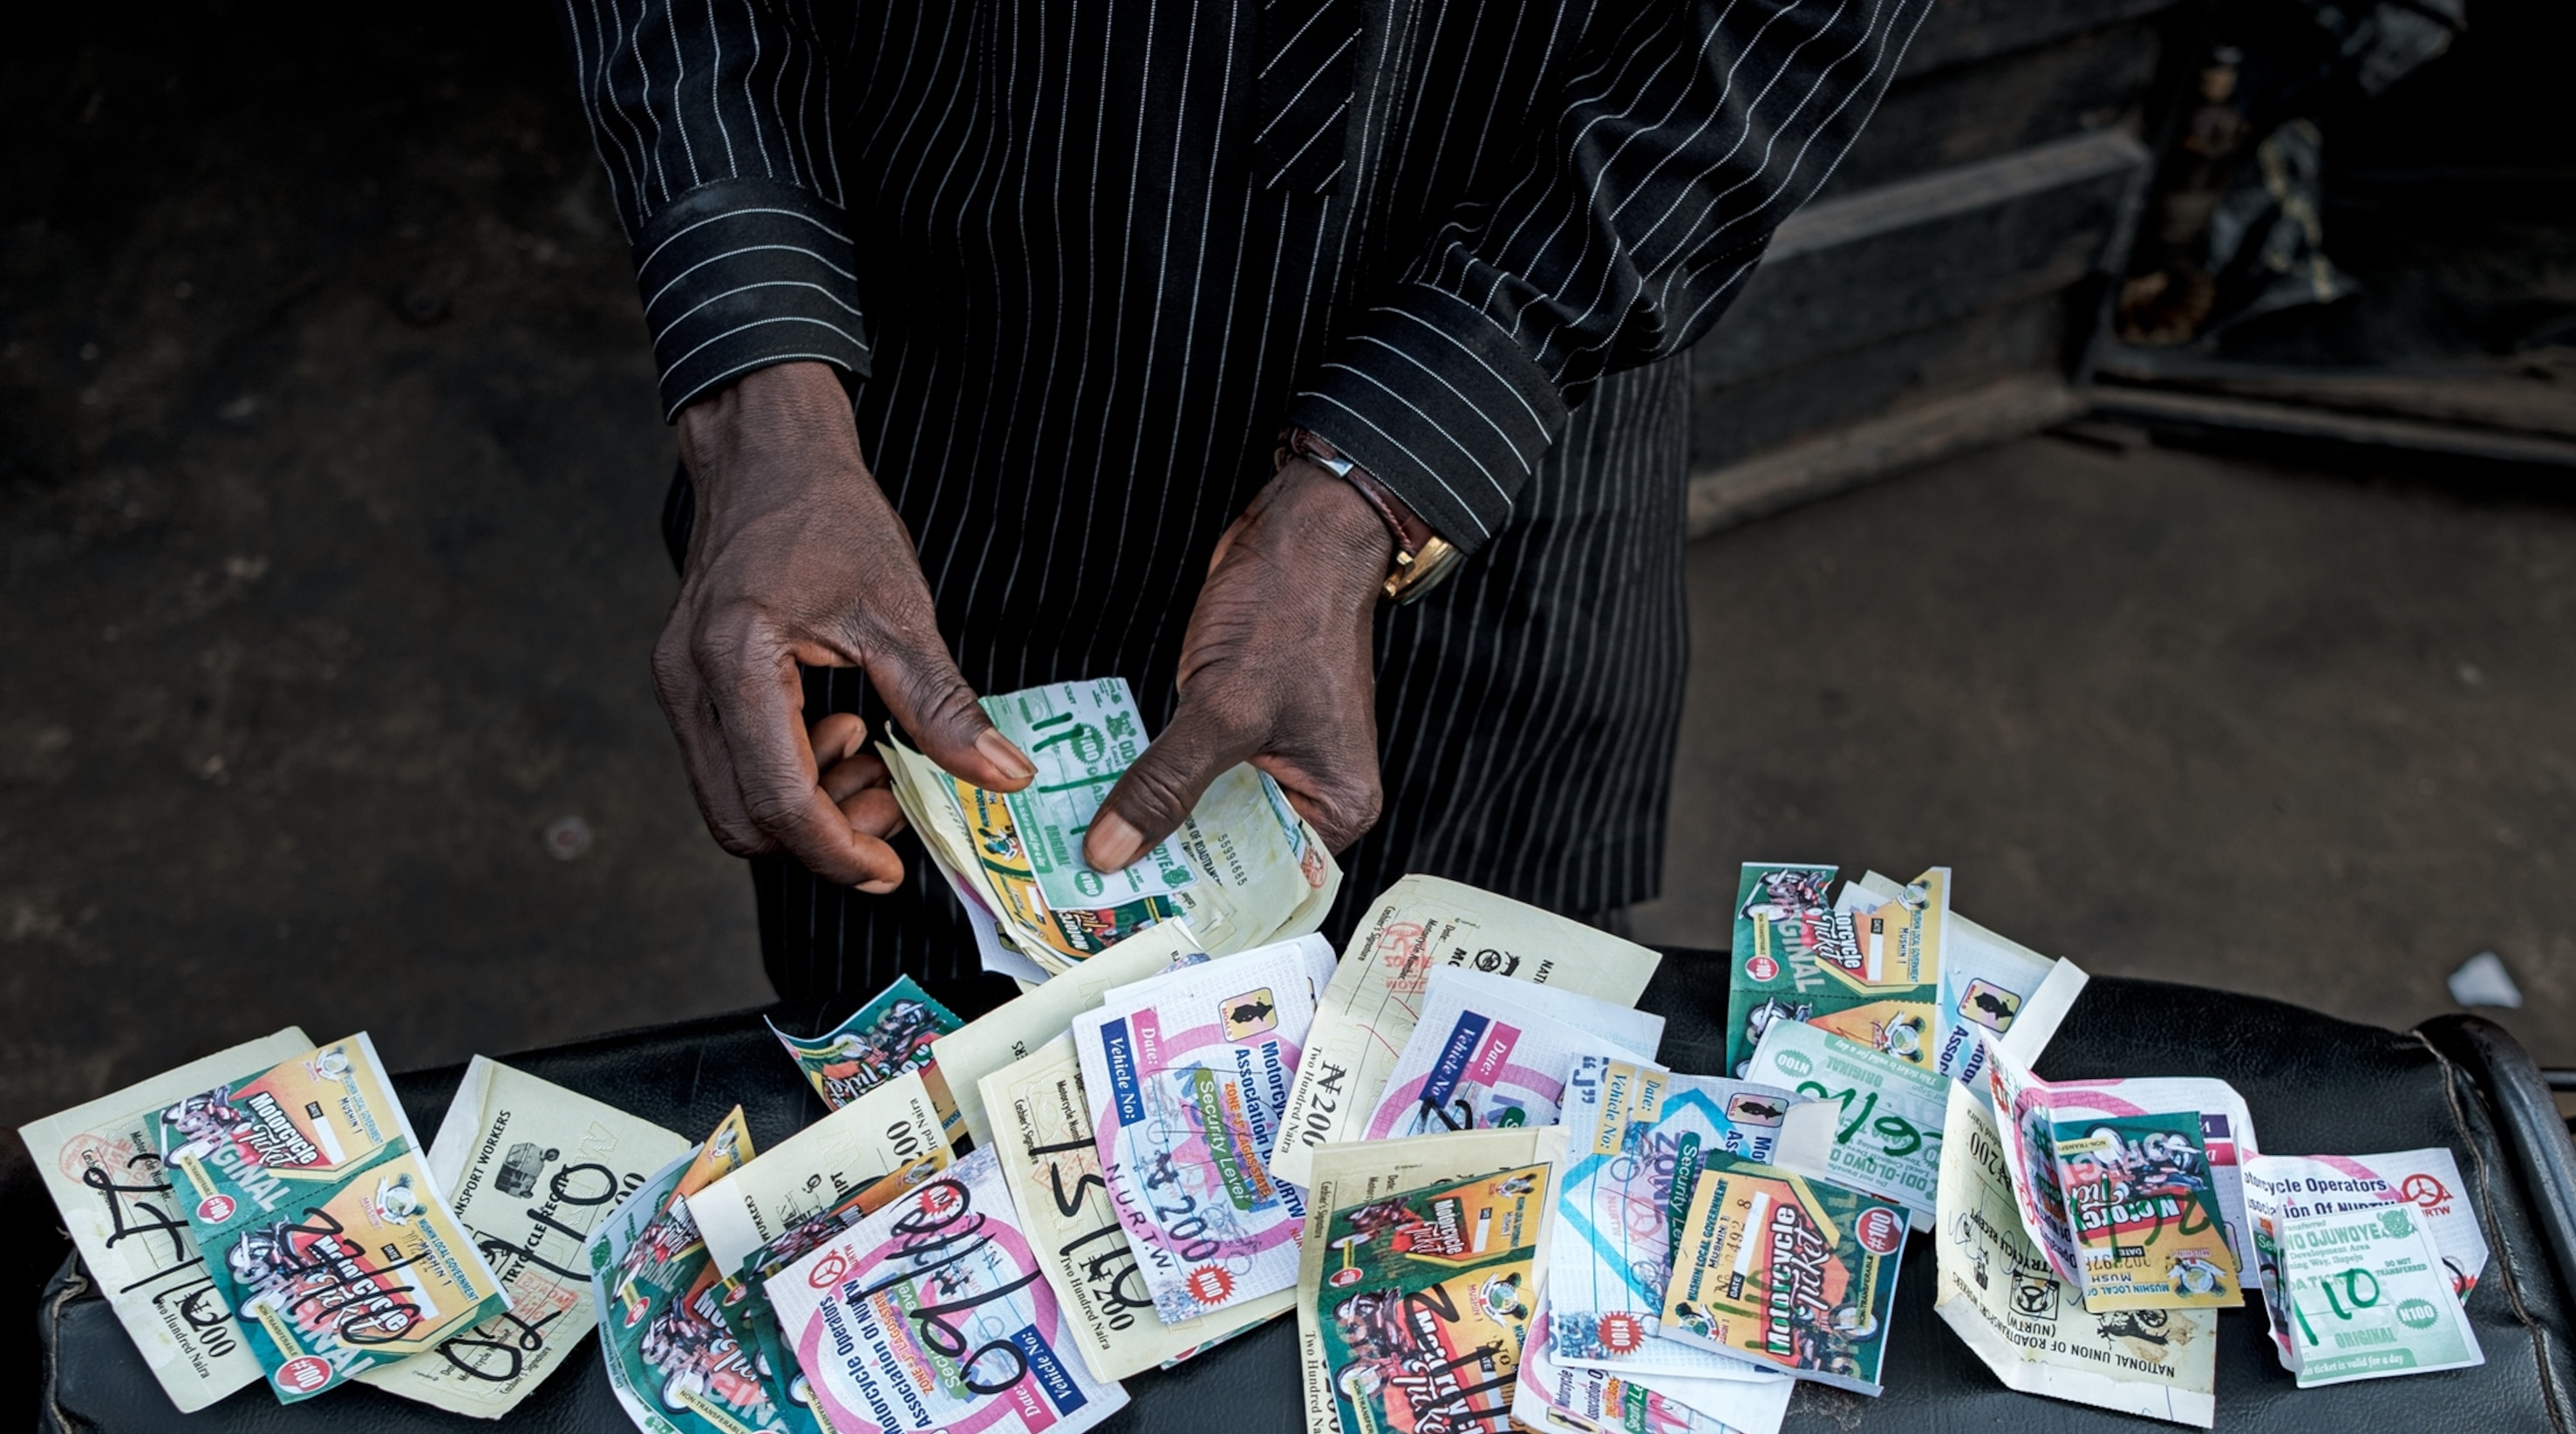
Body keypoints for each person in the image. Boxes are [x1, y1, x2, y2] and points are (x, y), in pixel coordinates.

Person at [563, 0, 1927, 1003]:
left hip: (1502, 481)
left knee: (1459, 1168)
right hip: (934, 461)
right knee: (932, 1174)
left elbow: (1784, 32)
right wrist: (761, 389)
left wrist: (1382, 480)